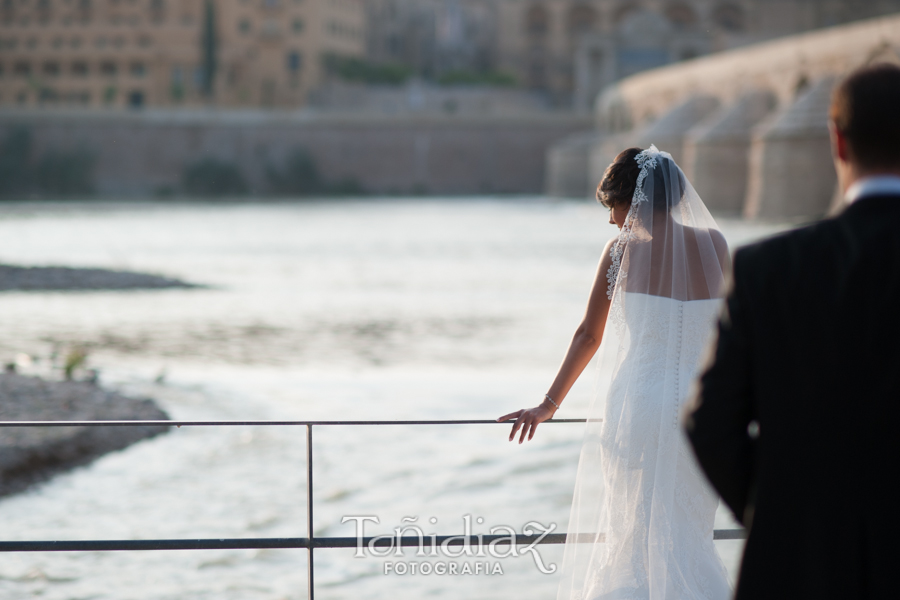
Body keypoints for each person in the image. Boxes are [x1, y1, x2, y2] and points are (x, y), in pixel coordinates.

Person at [684, 63, 900, 599]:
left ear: (837, 141)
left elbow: (711, 423)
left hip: (799, 567)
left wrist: (782, 514)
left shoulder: (768, 267)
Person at [499, 145, 732, 599]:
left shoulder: (621, 251)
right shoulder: (715, 245)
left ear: (636, 199)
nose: (611, 220)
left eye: (615, 207)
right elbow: (733, 332)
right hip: (700, 413)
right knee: (689, 534)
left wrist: (548, 405)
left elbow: (589, 335)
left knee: (633, 531)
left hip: (638, 406)